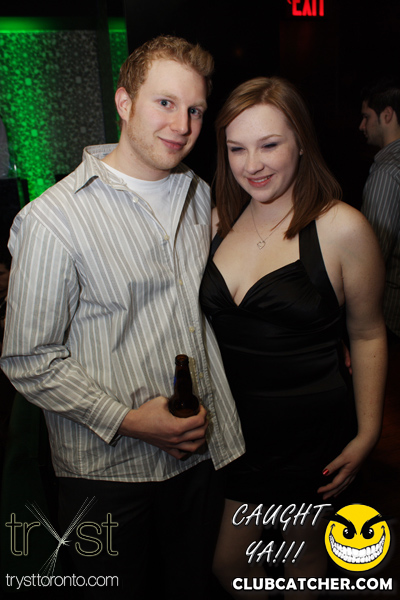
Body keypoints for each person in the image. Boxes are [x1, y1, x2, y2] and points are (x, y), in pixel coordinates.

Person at [0, 35, 244, 599]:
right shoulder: (52, 220)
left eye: (195, 110)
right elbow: (28, 359)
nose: (182, 125)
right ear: (125, 102)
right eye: (165, 103)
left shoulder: (197, 194)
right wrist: (131, 420)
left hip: (201, 455)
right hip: (107, 474)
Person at [199, 77, 387, 598]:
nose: (251, 164)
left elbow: (368, 333)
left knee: (303, 562)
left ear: (301, 141)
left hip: (311, 435)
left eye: (269, 145)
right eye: (236, 148)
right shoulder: (215, 222)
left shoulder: (342, 227)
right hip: (236, 434)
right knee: (229, 564)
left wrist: (367, 434)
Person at [359, 76, 400, 345]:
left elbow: (372, 256)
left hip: (390, 316)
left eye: (366, 117)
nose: (361, 126)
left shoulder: (387, 172)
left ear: (387, 115)